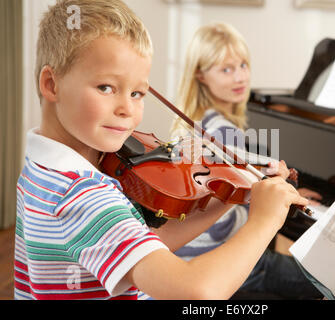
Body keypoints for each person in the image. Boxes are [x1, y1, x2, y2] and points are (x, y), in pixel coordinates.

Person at [14, 0, 309, 300]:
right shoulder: (83, 196)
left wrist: (239, 191)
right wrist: (263, 221)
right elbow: (197, 292)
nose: (127, 109)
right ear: (52, 84)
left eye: (137, 93)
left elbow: (152, 240)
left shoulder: (43, 169)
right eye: (106, 87)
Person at [170, 22, 323, 299]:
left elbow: (235, 187)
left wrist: (276, 189)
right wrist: (283, 194)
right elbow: (237, 198)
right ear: (201, 75)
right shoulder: (224, 132)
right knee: (320, 282)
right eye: (226, 69)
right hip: (219, 256)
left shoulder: (197, 121)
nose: (239, 77)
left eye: (243, 65)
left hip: (185, 251)